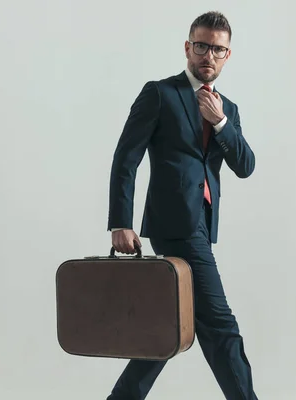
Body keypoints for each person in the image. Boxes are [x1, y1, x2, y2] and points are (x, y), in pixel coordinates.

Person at [106, 11, 258, 400]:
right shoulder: (160, 93)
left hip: (203, 228)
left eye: (218, 49)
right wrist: (120, 222)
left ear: (228, 55)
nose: (209, 55)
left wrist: (221, 122)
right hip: (176, 225)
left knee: (168, 325)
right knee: (221, 327)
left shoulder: (229, 109)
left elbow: (245, 166)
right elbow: (126, 158)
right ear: (188, 47)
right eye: (202, 46)